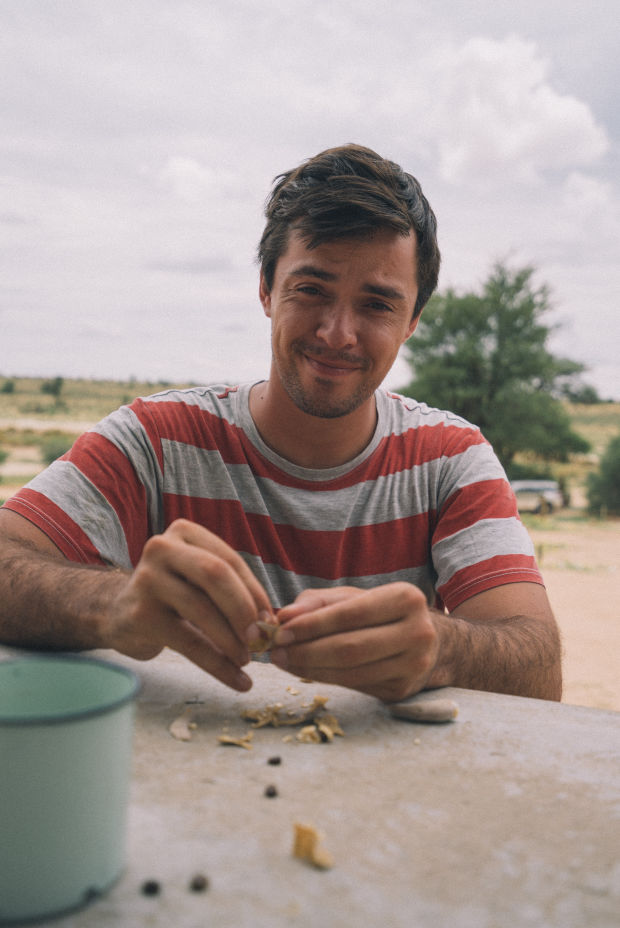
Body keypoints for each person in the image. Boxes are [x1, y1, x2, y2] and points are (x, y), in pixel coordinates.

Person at [0, 144, 561, 703]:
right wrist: (112, 605)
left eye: (377, 304)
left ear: (413, 320)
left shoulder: (451, 460)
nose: (337, 333)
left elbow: (539, 670)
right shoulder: (156, 440)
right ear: (267, 289)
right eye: (311, 290)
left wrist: (441, 648)